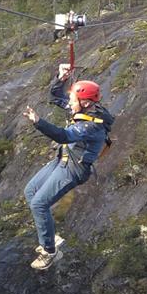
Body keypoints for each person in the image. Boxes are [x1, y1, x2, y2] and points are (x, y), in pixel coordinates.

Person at [21, 64, 114, 270]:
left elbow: (64, 136)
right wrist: (62, 78)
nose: (70, 103)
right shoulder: (84, 108)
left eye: (73, 100)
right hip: (63, 158)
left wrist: (38, 121)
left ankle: (50, 251)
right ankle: (50, 235)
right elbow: (55, 96)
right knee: (31, 191)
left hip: (74, 167)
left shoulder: (92, 125)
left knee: (38, 204)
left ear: (86, 102)